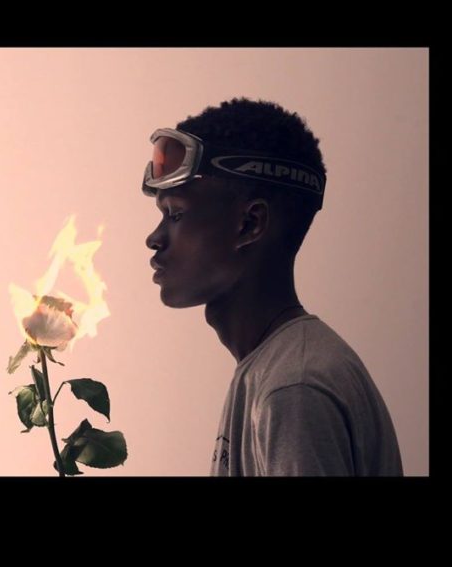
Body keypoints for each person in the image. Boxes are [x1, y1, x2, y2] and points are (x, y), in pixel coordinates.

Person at [143, 97, 403, 476]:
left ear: (250, 224)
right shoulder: (272, 369)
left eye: (176, 214)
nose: (154, 238)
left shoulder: (294, 388)